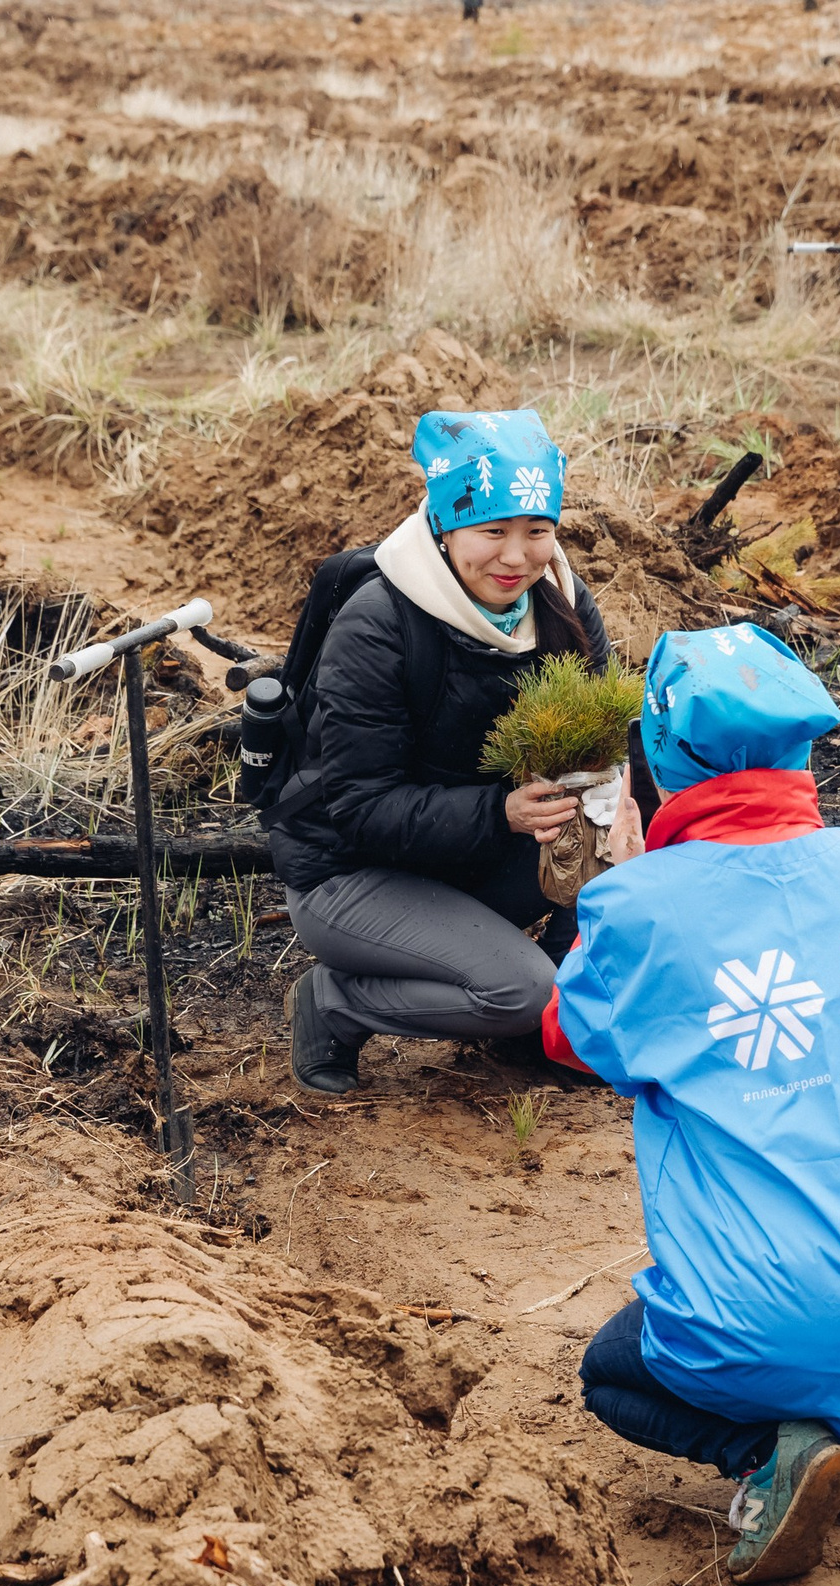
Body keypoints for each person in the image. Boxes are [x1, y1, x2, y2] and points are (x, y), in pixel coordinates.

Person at [542, 624, 840, 1585]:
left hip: (771, 1312)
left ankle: (775, 1455)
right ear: (805, 746)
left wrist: (616, 878)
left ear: (660, 758)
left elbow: (566, 1037)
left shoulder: (642, 907)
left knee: (610, 1373)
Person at [271, 409, 611, 1096]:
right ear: (446, 526)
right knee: (522, 992)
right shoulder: (380, 623)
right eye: (492, 532)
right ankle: (335, 1002)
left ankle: (546, 1029)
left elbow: (599, 764)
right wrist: (503, 813)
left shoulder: (564, 609)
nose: (517, 558)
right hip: (352, 872)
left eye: (537, 532)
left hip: (472, 857)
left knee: (623, 845)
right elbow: (362, 808)